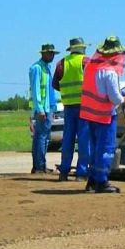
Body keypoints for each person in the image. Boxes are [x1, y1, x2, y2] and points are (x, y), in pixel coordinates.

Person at [80, 36, 125, 193]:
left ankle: (92, 180)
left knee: (95, 148)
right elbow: (114, 97)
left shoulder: (91, 67)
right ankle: (101, 181)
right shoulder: (110, 72)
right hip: (105, 116)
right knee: (106, 149)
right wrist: (123, 99)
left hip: (90, 114)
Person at [53, 37, 91, 182]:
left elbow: (55, 84)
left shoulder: (62, 63)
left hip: (68, 106)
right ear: (82, 48)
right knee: (83, 140)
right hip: (84, 105)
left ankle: (64, 171)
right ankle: (81, 173)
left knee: (68, 139)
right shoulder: (86, 62)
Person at [29, 44, 59, 173]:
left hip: (49, 107)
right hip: (43, 109)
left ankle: (40, 165)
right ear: (43, 54)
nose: (52, 56)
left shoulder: (47, 68)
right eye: (49, 53)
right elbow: (36, 91)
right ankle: (40, 166)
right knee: (42, 137)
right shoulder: (37, 68)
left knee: (43, 137)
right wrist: (40, 109)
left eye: (53, 53)